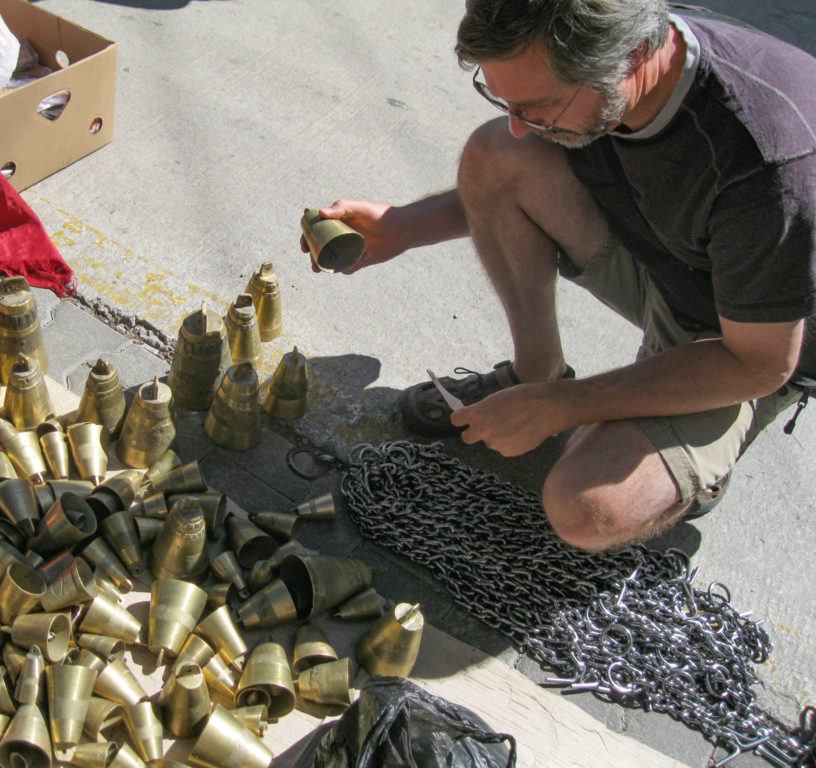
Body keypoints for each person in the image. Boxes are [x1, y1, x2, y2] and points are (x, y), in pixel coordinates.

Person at [305, 0, 816, 552]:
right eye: (506, 99)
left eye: (538, 106)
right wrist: (402, 227)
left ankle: (702, 461)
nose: (522, 126)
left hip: (744, 339)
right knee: (494, 154)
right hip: (672, 262)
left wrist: (564, 407)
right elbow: (510, 174)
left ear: (633, 57)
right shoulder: (618, 59)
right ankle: (535, 374)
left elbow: (759, 362)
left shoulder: (766, 165)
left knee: (587, 508)